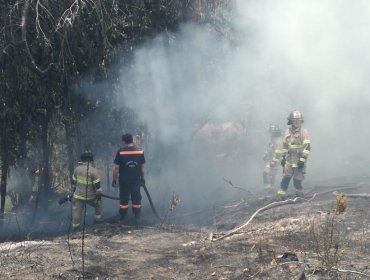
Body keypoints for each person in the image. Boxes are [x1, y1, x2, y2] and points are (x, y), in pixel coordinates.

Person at [112, 133, 146, 223]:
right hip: (136, 179)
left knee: (124, 198)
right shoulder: (140, 151)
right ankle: (137, 216)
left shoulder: (120, 151)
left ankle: (123, 217)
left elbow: (116, 168)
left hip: (124, 180)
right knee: (136, 197)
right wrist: (142, 178)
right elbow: (142, 168)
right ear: (132, 140)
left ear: (124, 141)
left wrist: (114, 179)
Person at [277, 110, 311, 198]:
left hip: (299, 160)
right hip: (289, 160)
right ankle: (281, 197)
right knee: (285, 178)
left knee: (297, 180)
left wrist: (302, 160)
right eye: (295, 120)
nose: (297, 122)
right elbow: (284, 146)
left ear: (301, 121)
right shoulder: (287, 132)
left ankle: (299, 196)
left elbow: (307, 147)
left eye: (298, 120)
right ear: (291, 121)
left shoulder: (304, 132)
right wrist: (283, 158)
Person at [71, 150, 102, 230]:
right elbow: (97, 185)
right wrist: (99, 195)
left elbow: (73, 183)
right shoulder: (93, 170)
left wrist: (72, 193)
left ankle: (75, 228)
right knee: (99, 204)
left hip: (78, 196)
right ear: (89, 160)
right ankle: (97, 221)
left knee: (76, 212)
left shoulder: (77, 169)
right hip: (90, 196)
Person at [262, 124, 284, 192]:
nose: (269, 133)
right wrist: (265, 155)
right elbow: (269, 149)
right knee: (266, 173)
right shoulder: (273, 140)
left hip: (274, 161)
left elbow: (278, 153)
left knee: (270, 174)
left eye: (271, 132)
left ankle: (270, 188)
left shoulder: (278, 141)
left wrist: (273, 162)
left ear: (274, 132)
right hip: (269, 160)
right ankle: (269, 188)